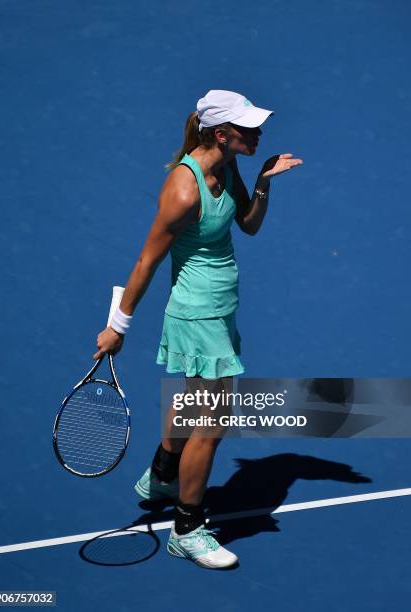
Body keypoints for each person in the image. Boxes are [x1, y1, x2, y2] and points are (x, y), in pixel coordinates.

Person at [93, 89, 303, 569]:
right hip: (197, 317)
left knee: (194, 402)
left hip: (220, 309)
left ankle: (164, 473)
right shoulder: (184, 190)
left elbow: (247, 226)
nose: (258, 133)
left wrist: (265, 182)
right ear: (220, 133)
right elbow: (147, 260)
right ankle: (187, 528)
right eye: (248, 128)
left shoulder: (227, 164)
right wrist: (117, 327)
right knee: (212, 427)